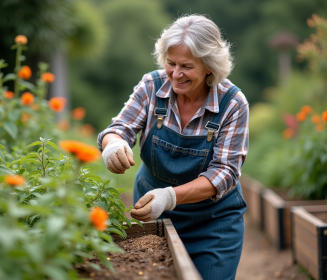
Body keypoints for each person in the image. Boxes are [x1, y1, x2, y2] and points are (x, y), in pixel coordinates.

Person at [98, 14, 248, 280]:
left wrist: (169, 197)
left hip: (213, 223)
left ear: (209, 66)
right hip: (153, 216)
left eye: (187, 67)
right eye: (171, 63)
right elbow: (119, 128)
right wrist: (113, 145)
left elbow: (224, 173)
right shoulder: (152, 86)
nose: (176, 74)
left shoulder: (232, 104)